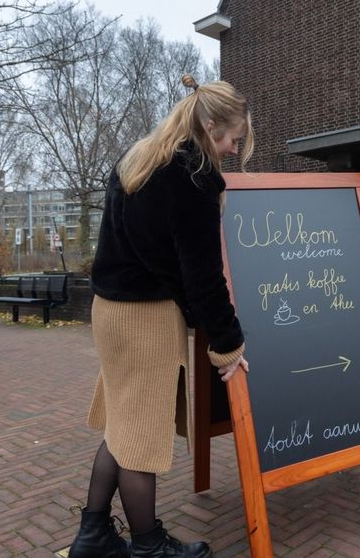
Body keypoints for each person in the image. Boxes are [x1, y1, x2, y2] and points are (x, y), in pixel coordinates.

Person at [67, 74, 253, 558]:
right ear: (210, 126)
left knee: (122, 426)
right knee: (142, 434)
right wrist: (228, 344)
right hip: (144, 317)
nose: (234, 149)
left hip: (109, 310)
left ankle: (93, 536)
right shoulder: (192, 177)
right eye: (233, 138)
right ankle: (149, 545)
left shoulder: (140, 157)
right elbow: (203, 276)